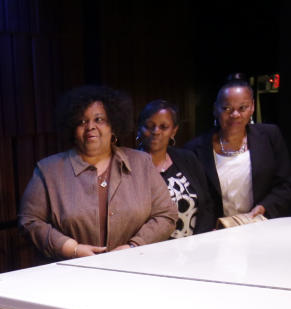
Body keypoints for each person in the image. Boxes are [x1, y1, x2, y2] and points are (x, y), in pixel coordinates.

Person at [18, 85, 176, 259]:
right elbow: (29, 221)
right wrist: (71, 248)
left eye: (99, 119)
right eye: (82, 121)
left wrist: (134, 246)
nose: (90, 127)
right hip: (71, 274)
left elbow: (166, 214)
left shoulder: (141, 163)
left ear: (113, 125)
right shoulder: (48, 171)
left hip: (135, 269)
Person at [185, 74, 291, 225]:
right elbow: (195, 199)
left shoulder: (270, 136)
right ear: (215, 109)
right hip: (217, 232)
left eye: (242, 108)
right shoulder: (195, 150)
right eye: (227, 108)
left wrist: (264, 207)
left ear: (252, 107)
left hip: (262, 226)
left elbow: (286, 186)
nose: (235, 114)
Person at [136, 99, 217, 237]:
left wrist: (201, 239)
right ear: (139, 128)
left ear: (174, 131)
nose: (156, 131)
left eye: (163, 127)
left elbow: (207, 204)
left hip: (195, 247)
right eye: (149, 125)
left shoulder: (188, 159)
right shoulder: (128, 166)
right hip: (149, 251)